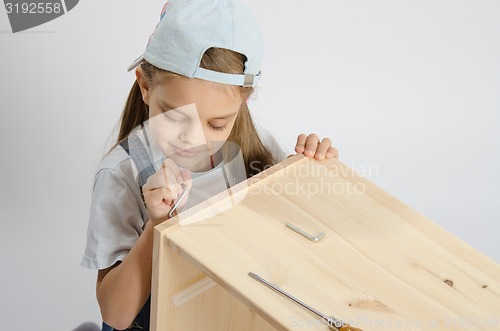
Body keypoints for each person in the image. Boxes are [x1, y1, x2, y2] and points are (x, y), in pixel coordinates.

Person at [81, 0, 339, 330]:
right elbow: (116, 314)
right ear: (146, 86)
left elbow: (284, 233)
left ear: (242, 102)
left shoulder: (250, 146)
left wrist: (303, 175)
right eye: (174, 117)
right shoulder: (121, 174)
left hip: (224, 315)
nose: (194, 140)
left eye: (216, 124)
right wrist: (157, 225)